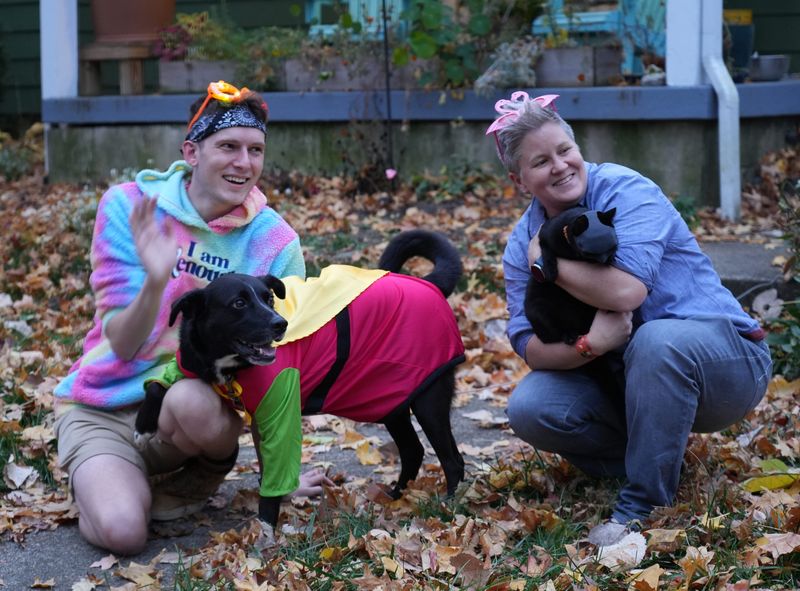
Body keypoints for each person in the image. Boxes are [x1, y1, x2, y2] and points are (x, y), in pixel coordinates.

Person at [54, 81, 332, 555]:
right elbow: (123, 344)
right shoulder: (130, 207)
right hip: (105, 407)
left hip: (193, 409)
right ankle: (109, 484)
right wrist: (156, 279)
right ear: (192, 152)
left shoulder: (275, 241)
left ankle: (196, 479)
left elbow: (279, 366)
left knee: (193, 400)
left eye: (255, 150)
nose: (243, 162)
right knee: (123, 533)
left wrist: (280, 477)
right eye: (228, 146)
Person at [487, 91, 773, 545]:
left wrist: (546, 264)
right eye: (540, 162)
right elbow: (528, 345)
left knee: (655, 341)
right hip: (623, 378)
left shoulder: (624, 191)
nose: (560, 166)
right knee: (531, 407)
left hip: (726, 361)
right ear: (519, 180)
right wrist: (591, 345)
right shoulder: (522, 239)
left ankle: (642, 506)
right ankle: (652, 458)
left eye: (564, 150)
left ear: (578, 148)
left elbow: (626, 292)